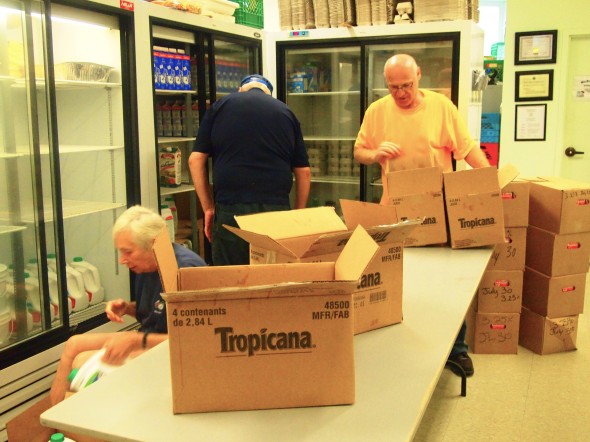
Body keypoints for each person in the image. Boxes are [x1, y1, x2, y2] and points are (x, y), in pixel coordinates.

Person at [353, 54, 490, 377]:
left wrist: (489, 184)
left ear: (419, 76)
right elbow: (360, 151)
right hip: (395, 210)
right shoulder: (377, 111)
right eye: (394, 87)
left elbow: (467, 149)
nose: (401, 93)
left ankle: (456, 350)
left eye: (407, 85)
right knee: (401, 279)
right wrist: (375, 153)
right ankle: (405, 346)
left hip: (438, 211)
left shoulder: (441, 107)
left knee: (446, 283)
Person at [49, 205, 206, 405]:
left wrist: (135, 341)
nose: (122, 260)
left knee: (81, 366)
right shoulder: (147, 265)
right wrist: (128, 307)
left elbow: (195, 339)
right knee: (74, 344)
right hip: (147, 338)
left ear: (153, 244)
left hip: (175, 351)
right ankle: (50, 424)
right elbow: (157, 310)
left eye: (128, 252)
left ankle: (70, 425)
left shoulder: (185, 271)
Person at [189, 74, 311, 266]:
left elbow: (195, 160)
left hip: (231, 207)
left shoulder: (219, 107)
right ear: (269, 94)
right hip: (275, 210)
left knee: (230, 280)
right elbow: (303, 172)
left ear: (240, 90)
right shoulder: (286, 112)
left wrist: (208, 208)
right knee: (273, 278)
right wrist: (297, 216)